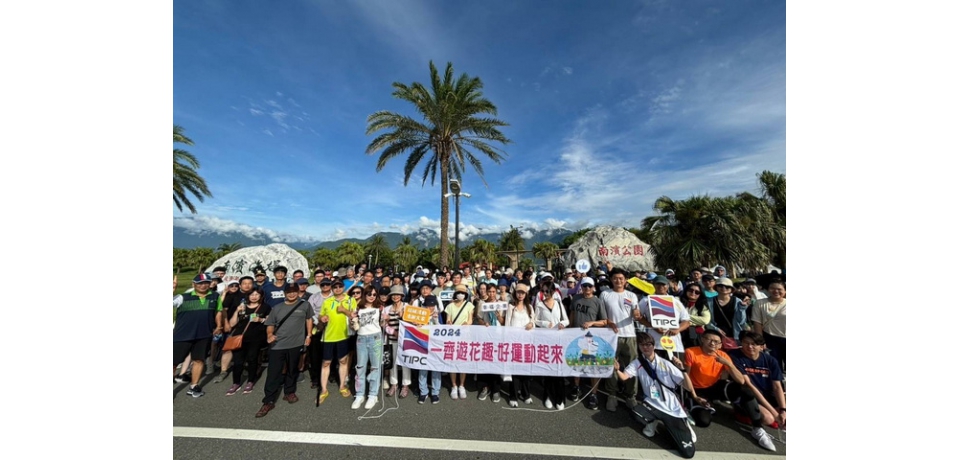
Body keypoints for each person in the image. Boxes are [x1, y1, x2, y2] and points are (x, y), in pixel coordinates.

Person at [684, 329, 776, 451]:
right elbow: (685, 377)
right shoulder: (691, 352)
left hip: (715, 387)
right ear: (702, 339)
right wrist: (694, 396)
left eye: (716, 342)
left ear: (720, 344)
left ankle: (758, 428)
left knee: (745, 390)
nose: (712, 343)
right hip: (696, 389)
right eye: (709, 339)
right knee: (703, 421)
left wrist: (729, 364)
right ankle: (695, 406)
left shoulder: (722, 355)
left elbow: (741, 381)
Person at [612, 332, 699, 459]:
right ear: (638, 346)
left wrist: (683, 370)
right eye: (642, 345)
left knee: (688, 452)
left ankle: (684, 423)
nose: (645, 347)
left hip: (672, 407)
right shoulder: (637, 363)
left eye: (648, 344)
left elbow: (688, 387)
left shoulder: (666, 364)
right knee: (635, 412)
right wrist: (617, 370)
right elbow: (624, 377)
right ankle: (651, 422)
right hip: (652, 403)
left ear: (654, 345)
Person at [255, 283, 313, 418]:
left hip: (296, 343)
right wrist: (270, 335)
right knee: (273, 372)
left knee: (292, 369)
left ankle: (289, 392)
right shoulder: (277, 308)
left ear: (298, 292)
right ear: (285, 293)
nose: (292, 294)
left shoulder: (305, 305)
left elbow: (309, 319)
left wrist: (309, 335)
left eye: (294, 291)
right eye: (289, 292)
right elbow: (270, 324)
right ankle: (268, 400)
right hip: (278, 344)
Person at [601, 268, 642, 412]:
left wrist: (636, 314)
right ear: (611, 279)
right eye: (615, 278)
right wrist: (608, 322)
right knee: (611, 365)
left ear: (625, 280)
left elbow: (636, 312)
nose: (618, 281)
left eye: (621, 278)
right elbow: (602, 315)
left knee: (632, 366)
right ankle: (611, 395)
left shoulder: (631, 295)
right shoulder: (605, 294)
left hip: (629, 335)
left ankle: (631, 396)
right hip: (611, 336)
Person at [173, 273, 219, 397]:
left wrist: (219, 325)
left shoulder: (215, 296)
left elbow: (218, 311)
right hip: (182, 336)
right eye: (200, 283)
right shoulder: (183, 297)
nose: (203, 286)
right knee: (173, 363)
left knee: (199, 360)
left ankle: (194, 386)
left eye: (206, 283)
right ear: (193, 284)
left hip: (204, 335)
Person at [729, 331, 786, 428]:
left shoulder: (771, 360)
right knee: (768, 418)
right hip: (750, 395)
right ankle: (741, 414)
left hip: (768, 394)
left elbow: (777, 387)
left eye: (754, 344)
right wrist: (775, 414)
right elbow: (750, 385)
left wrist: (783, 410)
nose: (750, 346)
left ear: (762, 347)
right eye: (746, 343)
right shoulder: (735, 356)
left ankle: (775, 415)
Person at [568, 276, 606, 409]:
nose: (587, 288)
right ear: (581, 287)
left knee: (593, 367)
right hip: (576, 336)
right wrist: (570, 328)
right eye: (584, 286)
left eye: (589, 286)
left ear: (593, 287)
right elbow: (572, 314)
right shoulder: (576, 298)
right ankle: (576, 387)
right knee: (576, 363)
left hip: (591, 338)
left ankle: (593, 394)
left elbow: (604, 321)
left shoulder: (597, 301)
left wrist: (592, 323)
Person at [224, 288, 271, 396]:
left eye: (257, 294)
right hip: (239, 337)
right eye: (252, 294)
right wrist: (237, 311)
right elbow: (232, 324)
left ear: (261, 296)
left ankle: (250, 381)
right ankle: (236, 383)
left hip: (256, 338)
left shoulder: (265, 307)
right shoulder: (242, 306)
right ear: (248, 296)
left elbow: (270, 321)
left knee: (252, 359)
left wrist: (261, 320)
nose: (254, 297)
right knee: (238, 362)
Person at [317, 280, 356, 404]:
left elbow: (355, 316)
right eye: (335, 287)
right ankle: (324, 390)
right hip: (328, 336)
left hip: (344, 336)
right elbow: (320, 315)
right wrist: (322, 318)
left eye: (340, 286)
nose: (338, 288)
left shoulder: (350, 300)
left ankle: (342, 386)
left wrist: (344, 310)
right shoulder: (327, 301)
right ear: (332, 288)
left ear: (343, 287)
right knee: (326, 362)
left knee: (343, 361)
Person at [534, 277, 569, 410]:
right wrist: (544, 323)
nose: (545, 293)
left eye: (548, 291)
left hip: (558, 339)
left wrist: (562, 324)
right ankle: (547, 396)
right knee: (548, 369)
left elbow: (566, 320)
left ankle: (560, 398)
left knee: (559, 370)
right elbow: (535, 320)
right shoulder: (539, 305)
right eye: (543, 291)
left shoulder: (559, 304)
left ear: (553, 291)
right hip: (546, 339)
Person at [638, 277, 692, 358]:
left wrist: (677, 330)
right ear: (653, 285)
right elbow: (638, 316)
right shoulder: (645, 300)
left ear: (668, 286)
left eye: (663, 284)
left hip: (674, 344)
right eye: (658, 284)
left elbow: (686, 321)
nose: (661, 286)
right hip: (655, 344)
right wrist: (653, 326)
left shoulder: (676, 301)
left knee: (677, 365)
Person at [351, 285, 383, 410]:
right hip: (361, 338)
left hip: (376, 338)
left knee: (375, 367)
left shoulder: (379, 308)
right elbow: (354, 325)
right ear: (365, 295)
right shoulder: (358, 307)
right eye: (369, 294)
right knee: (360, 367)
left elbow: (383, 324)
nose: (372, 297)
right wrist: (352, 320)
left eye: (374, 294)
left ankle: (372, 395)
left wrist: (385, 320)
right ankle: (359, 394)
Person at [503, 284, 534, 407]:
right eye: (518, 292)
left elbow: (533, 321)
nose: (520, 295)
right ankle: (513, 396)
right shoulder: (511, 307)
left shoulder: (529, 307)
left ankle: (526, 394)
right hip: (514, 342)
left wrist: (531, 324)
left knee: (526, 370)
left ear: (526, 294)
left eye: (523, 293)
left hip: (526, 343)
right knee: (515, 370)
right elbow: (507, 324)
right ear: (515, 293)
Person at [444, 284, 475, 400]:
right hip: (453, 336)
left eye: (463, 293)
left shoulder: (469, 305)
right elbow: (448, 319)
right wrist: (448, 322)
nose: (461, 294)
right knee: (453, 362)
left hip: (465, 336)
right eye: (458, 293)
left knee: (462, 362)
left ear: (465, 295)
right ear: (455, 294)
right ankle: (454, 386)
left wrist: (467, 323)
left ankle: (462, 385)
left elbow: (470, 319)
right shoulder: (450, 306)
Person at [475, 284, 504, 403]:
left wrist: (499, 316)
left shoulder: (501, 304)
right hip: (486, 336)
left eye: (493, 291)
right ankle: (485, 387)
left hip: (498, 336)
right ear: (486, 292)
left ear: (496, 292)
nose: (491, 294)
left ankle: (496, 389)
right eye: (489, 291)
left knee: (496, 362)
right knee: (485, 361)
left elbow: (504, 321)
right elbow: (479, 318)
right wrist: (483, 323)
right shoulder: (482, 304)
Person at [382, 285, 412, 398]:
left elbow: (413, 323)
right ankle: (394, 384)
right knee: (393, 362)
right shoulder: (387, 309)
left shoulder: (407, 307)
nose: (395, 296)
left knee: (405, 362)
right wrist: (391, 329)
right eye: (393, 295)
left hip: (405, 339)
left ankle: (405, 385)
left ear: (402, 296)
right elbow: (383, 325)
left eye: (398, 294)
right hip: (391, 339)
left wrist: (403, 317)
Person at [751, 281, 786, 373]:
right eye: (772, 288)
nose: (776, 291)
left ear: (785, 291)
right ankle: (778, 381)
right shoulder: (759, 303)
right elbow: (757, 323)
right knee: (774, 365)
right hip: (770, 338)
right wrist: (760, 341)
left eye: (779, 289)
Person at [709, 277, 748, 346]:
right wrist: (716, 329)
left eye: (727, 286)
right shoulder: (709, 301)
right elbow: (707, 321)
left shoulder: (737, 301)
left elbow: (741, 321)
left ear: (731, 289)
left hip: (734, 335)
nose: (724, 288)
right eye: (720, 285)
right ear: (716, 287)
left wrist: (742, 307)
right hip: (715, 334)